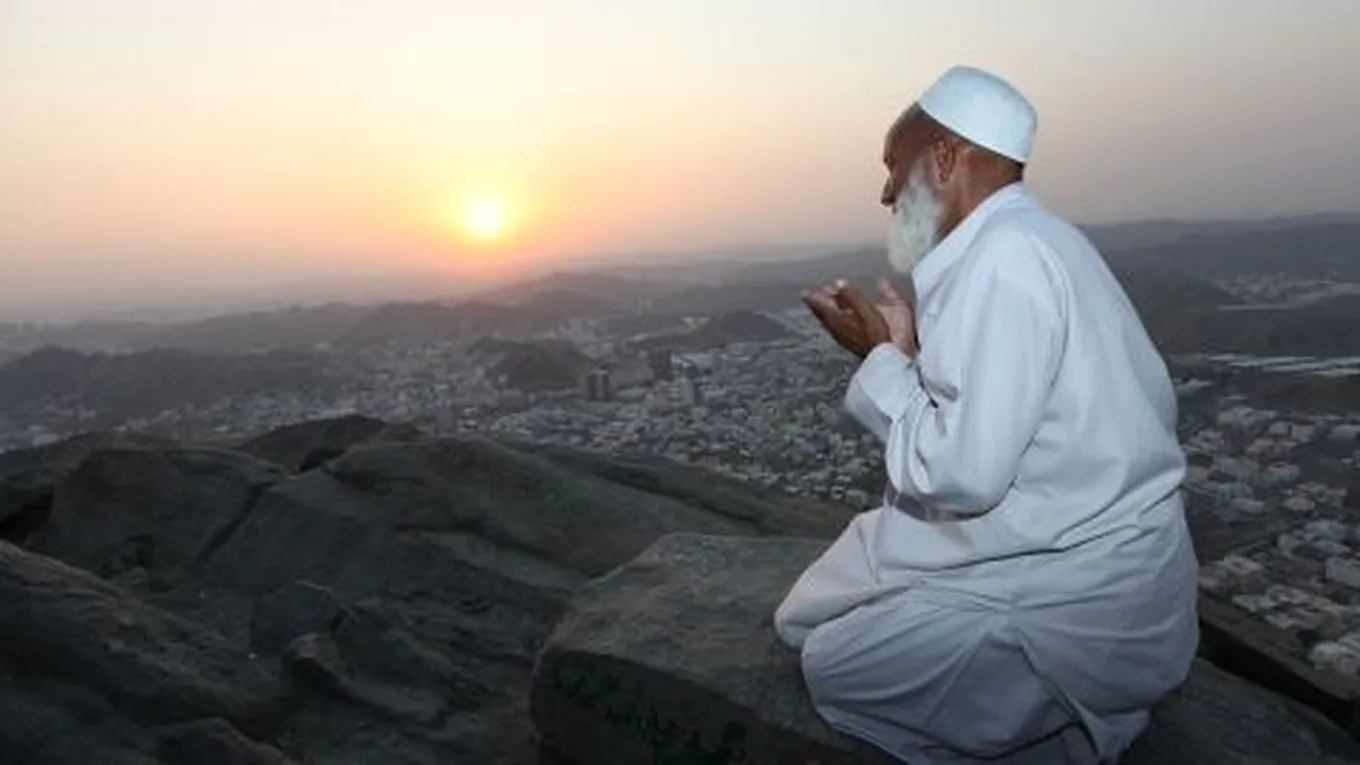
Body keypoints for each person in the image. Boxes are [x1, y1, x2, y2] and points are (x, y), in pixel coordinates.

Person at [773, 65, 1200, 764]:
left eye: (893, 167)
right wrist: (908, 352)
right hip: (1046, 544)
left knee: (834, 663)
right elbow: (991, 415)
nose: (885, 192)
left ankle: (1071, 732)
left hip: (1078, 591)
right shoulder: (1028, 241)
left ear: (943, 159)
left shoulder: (1005, 261)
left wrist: (876, 356)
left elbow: (965, 475)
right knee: (805, 613)